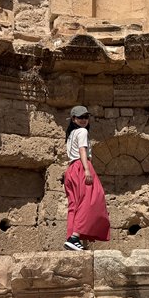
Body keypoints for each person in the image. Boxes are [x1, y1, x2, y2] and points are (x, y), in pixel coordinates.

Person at [62, 105, 110, 251]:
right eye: (80, 117)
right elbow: (82, 150)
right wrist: (87, 169)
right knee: (92, 199)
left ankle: (71, 238)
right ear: (73, 119)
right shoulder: (82, 131)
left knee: (74, 205)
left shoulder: (71, 134)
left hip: (71, 169)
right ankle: (75, 237)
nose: (84, 120)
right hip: (81, 167)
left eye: (86, 117)